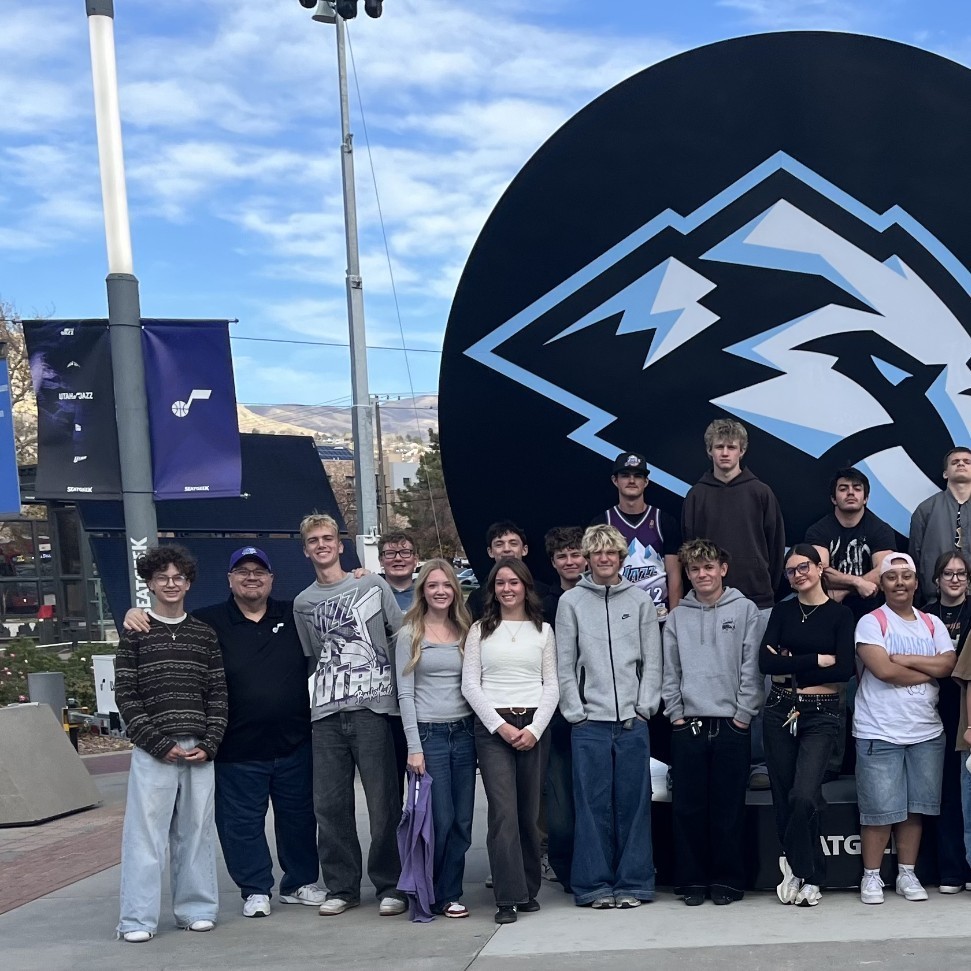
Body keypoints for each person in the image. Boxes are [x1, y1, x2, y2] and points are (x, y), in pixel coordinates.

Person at [122, 546, 324, 920]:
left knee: (298, 818)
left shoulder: (294, 615)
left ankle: (299, 884)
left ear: (271, 579)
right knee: (240, 825)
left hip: (294, 741)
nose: (252, 577)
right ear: (229, 579)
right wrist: (135, 614)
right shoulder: (207, 621)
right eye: (242, 571)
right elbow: (169, 624)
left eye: (259, 571)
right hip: (236, 746)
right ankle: (255, 889)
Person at [292, 513, 408, 917]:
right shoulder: (303, 603)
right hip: (325, 713)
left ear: (340, 545)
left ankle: (391, 885)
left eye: (328, 538)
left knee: (383, 804)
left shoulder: (371, 584)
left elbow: (403, 634)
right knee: (329, 805)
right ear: (305, 549)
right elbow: (313, 658)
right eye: (314, 541)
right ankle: (342, 887)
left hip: (374, 709)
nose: (322, 545)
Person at [114, 545, 228, 943]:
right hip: (153, 750)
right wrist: (156, 743)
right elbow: (126, 694)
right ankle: (136, 920)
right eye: (162, 577)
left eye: (178, 577)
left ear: (189, 582)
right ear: (149, 582)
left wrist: (211, 743)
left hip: (199, 747)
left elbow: (217, 693)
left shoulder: (203, 634)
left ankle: (196, 909)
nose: (171, 584)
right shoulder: (136, 632)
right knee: (145, 836)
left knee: (196, 832)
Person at [555, 525, 661, 910]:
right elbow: (564, 663)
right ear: (587, 557)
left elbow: (653, 660)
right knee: (591, 804)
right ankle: (594, 885)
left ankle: (633, 882)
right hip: (589, 724)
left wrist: (644, 706)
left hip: (633, 722)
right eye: (596, 553)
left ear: (620, 557)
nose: (604, 559)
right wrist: (575, 712)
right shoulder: (571, 603)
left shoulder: (640, 601)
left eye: (611, 553)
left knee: (634, 804)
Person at [682, 417, 785, 790]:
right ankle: (712, 754)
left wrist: (761, 585)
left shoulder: (760, 492)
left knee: (755, 682)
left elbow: (775, 548)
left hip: (757, 601)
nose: (724, 453)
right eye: (718, 447)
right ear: (709, 451)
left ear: (742, 451)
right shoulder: (698, 494)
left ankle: (758, 761)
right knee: (715, 679)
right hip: (708, 604)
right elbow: (689, 548)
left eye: (731, 447)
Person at [662, 539, 762, 906]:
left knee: (728, 808)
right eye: (694, 569)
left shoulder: (745, 610)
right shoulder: (678, 616)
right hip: (687, 723)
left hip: (731, 725)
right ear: (687, 575)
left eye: (708, 567)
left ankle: (728, 881)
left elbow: (752, 667)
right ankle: (691, 881)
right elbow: (669, 669)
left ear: (723, 568)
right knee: (688, 808)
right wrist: (675, 713)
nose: (702, 574)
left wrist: (742, 715)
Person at [854, 553, 956, 905]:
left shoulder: (931, 623)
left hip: (926, 732)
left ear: (916, 582)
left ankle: (907, 874)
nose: (900, 582)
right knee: (880, 809)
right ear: (881, 584)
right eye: (892, 577)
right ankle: (871, 877)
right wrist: (929, 671)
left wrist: (906, 659)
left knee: (915, 809)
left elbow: (949, 663)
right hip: (879, 730)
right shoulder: (871, 622)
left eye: (906, 576)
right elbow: (883, 671)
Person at [461, 558, 559, 924]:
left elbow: (553, 685)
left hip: (534, 724)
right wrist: (499, 726)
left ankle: (528, 889)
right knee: (503, 813)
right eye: (500, 582)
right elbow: (470, 684)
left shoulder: (543, 631)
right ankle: (508, 896)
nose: (507, 589)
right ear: (492, 589)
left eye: (514, 582)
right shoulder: (479, 631)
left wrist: (533, 730)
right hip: (494, 729)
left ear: (525, 587)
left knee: (529, 813)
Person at [758, 544, 855, 907]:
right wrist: (817, 658)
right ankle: (807, 874)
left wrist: (790, 661)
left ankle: (798, 865)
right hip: (780, 708)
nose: (798, 575)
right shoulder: (782, 613)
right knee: (785, 798)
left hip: (822, 712)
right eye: (791, 571)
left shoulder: (840, 616)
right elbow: (765, 665)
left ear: (819, 568)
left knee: (804, 794)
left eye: (803, 568)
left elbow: (844, 670)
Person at [395, 559, 475, 918]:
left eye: (446, 585)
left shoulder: (467, 630)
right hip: (430, 735)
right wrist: (414, 747)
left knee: (462, 821)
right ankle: (431, 891)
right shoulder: (410, 632)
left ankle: (451, 893)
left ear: (455, 590)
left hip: (465, 732)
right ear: (423, 591)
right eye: (433, 585)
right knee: (439, 820)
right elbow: (405, 694)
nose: (440, 591)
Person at [539, 526, 585, 890]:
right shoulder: (541, 604)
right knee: (560, 802)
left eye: (575, 554)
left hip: (595, 711)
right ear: (553, 562)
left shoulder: (599, 597)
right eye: (562, 556)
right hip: (554, 717)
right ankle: (566, 870)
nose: (570, 561)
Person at [922, 550, 971, 892]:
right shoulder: (923, 615)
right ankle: (950, 870)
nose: (955, 579)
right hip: (929, 706)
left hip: (966, 708)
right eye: (948, 574)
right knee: (943, 792)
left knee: (965, 789)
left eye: (962, 574)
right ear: (937, 579)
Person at [590, 451, 682, 618]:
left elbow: (674, 573)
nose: (632, 481)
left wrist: (674, 619)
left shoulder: (664, 520)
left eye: (638, 476)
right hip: (618, 614)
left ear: (645, 481)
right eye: (625, 475)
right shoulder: (602, 522)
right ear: (615, 480)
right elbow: (594, 574)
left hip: (659, 614)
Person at [805, 467, 896, 620]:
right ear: (833, 498)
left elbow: (884, 571)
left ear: (866, 498)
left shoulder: (881, 530)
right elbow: (819, 572)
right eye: (843, 488)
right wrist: (857, 582)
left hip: (871, 613)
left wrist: (845, 591)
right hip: (827, 612)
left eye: (857, 488)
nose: (851, 493)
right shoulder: (818, 531)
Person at [910, 446, 971, 602]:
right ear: (945, 473)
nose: (961, 464)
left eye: (967, 462)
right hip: (936, 601)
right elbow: (914, 559)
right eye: (955, 462)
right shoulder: (925, 510)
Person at [465, 521, 549, 620]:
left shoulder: (544, 594)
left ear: (524, 550)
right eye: (499, 544)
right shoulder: (477, 599)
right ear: (490, 552)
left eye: (513, 543)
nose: (507, 549)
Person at [379, 531, 419, 611]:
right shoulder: (370, 593)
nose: (398, 558)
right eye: (390, 553)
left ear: (415, 560)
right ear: (381, 560)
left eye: (405, 552)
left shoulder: (427, 593)